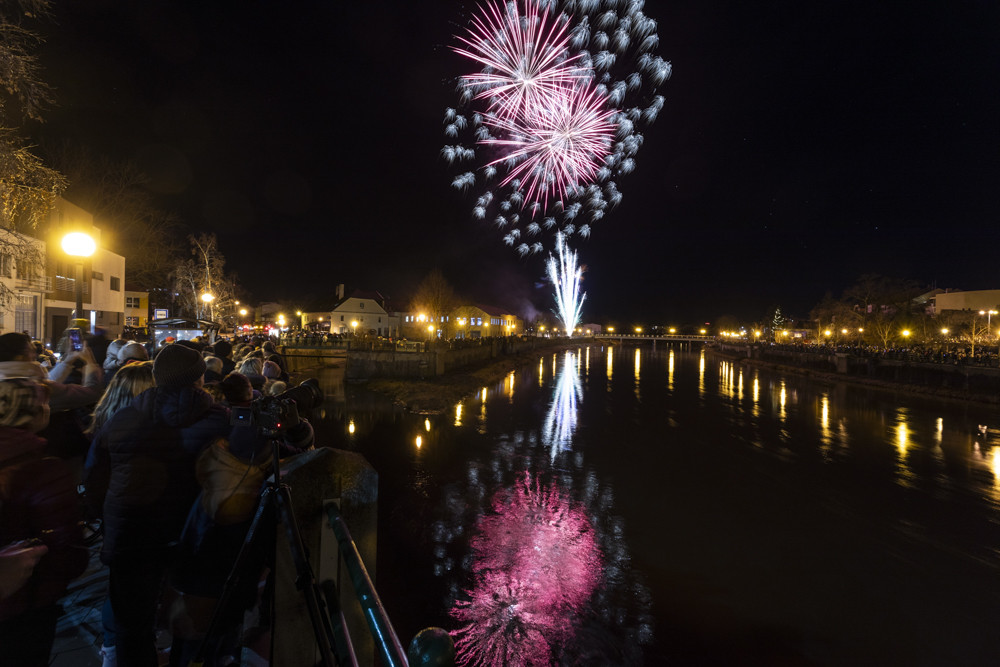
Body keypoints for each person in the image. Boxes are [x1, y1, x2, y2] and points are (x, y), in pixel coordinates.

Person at [85, 344, 231, 666]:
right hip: (193, 537)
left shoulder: (122, 419)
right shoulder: (221, 422)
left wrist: (109, 521)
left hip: (132, 537)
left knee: (131, 627)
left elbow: (94, 477)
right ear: (200, 378)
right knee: (192, 619)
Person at [0, 377, 88, 665]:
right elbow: (67, 550)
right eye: (45, 405)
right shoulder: (43, 470)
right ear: (34, 414)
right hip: (26, 601)